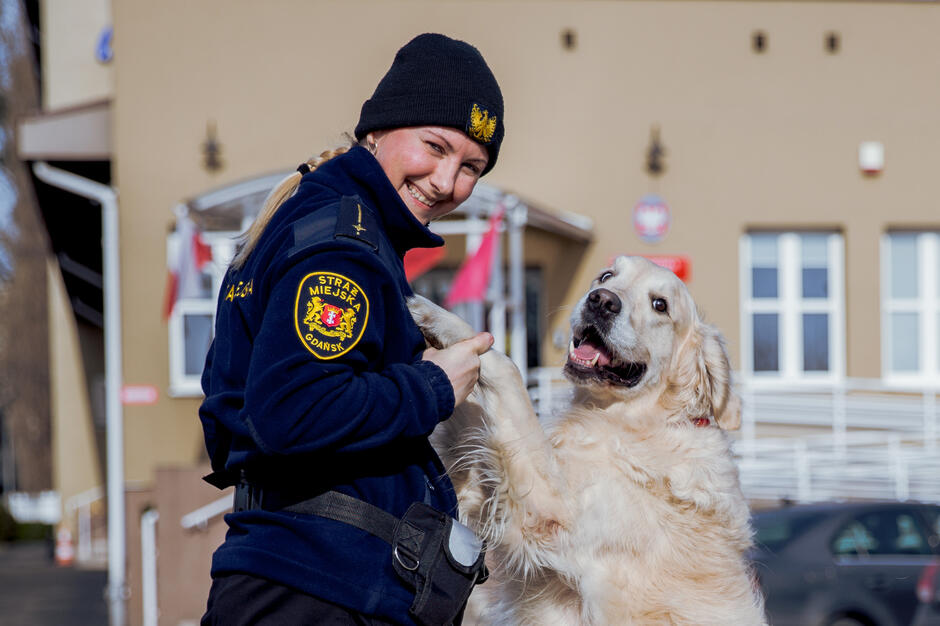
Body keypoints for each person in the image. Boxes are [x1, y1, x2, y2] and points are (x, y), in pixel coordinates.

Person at [198, 33, 504, 625]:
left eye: (471, 167)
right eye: (435, 147)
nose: (446, 182)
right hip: (313, 590)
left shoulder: (320, 220)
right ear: (377, 131)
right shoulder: (345, 247)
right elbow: (293, 408)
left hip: (290, 579)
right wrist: (434, 386)